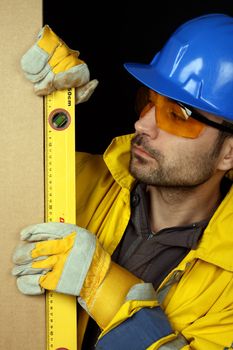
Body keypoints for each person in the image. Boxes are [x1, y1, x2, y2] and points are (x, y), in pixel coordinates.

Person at [12, 13, 233, 350]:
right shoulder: (74, 181)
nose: (142, 124)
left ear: (228, 154)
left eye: (177, 115)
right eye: (148, 101)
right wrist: (27, 103)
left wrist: (100, 286)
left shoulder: (228, 283)